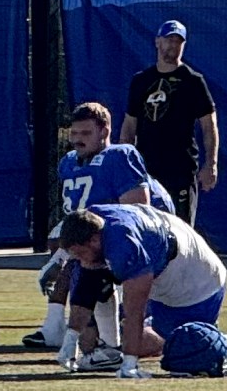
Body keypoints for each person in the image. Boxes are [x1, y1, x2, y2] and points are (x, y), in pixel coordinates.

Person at [58, 203, 227, 377]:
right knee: (90, 274)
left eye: (79, 252)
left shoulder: (124, 245)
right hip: (163, 267)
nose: (78, 259)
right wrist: (71, 339)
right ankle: (111, 351)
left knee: (191, 351)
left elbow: (135, 312)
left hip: (194, 281)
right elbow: (87, 285)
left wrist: (130, 364)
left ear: (95, 240)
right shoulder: (93, 221)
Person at [31, 101, 175, 361]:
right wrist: (59, 258)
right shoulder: (69, 163)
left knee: (151, 332)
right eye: (74, 134)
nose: (77, 140)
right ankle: (105, 343)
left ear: (105, 131)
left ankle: (174, 339)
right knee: (68, 246)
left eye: (86, 133)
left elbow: (137, 212)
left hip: (150, 240)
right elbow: (76, 224)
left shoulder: (119, 156)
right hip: (103, 233)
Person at [122, 20, 219, 224]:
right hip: (146, 169)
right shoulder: (141, 81)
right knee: (146, 224)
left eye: (178, 41)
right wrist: (124, 164)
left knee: (180, 228)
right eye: (168, 39)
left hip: (180, 169)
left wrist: (211, 164)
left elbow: (209, 127)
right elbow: (129, 126)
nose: (172, 45)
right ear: (158, 42)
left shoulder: (193, 81)